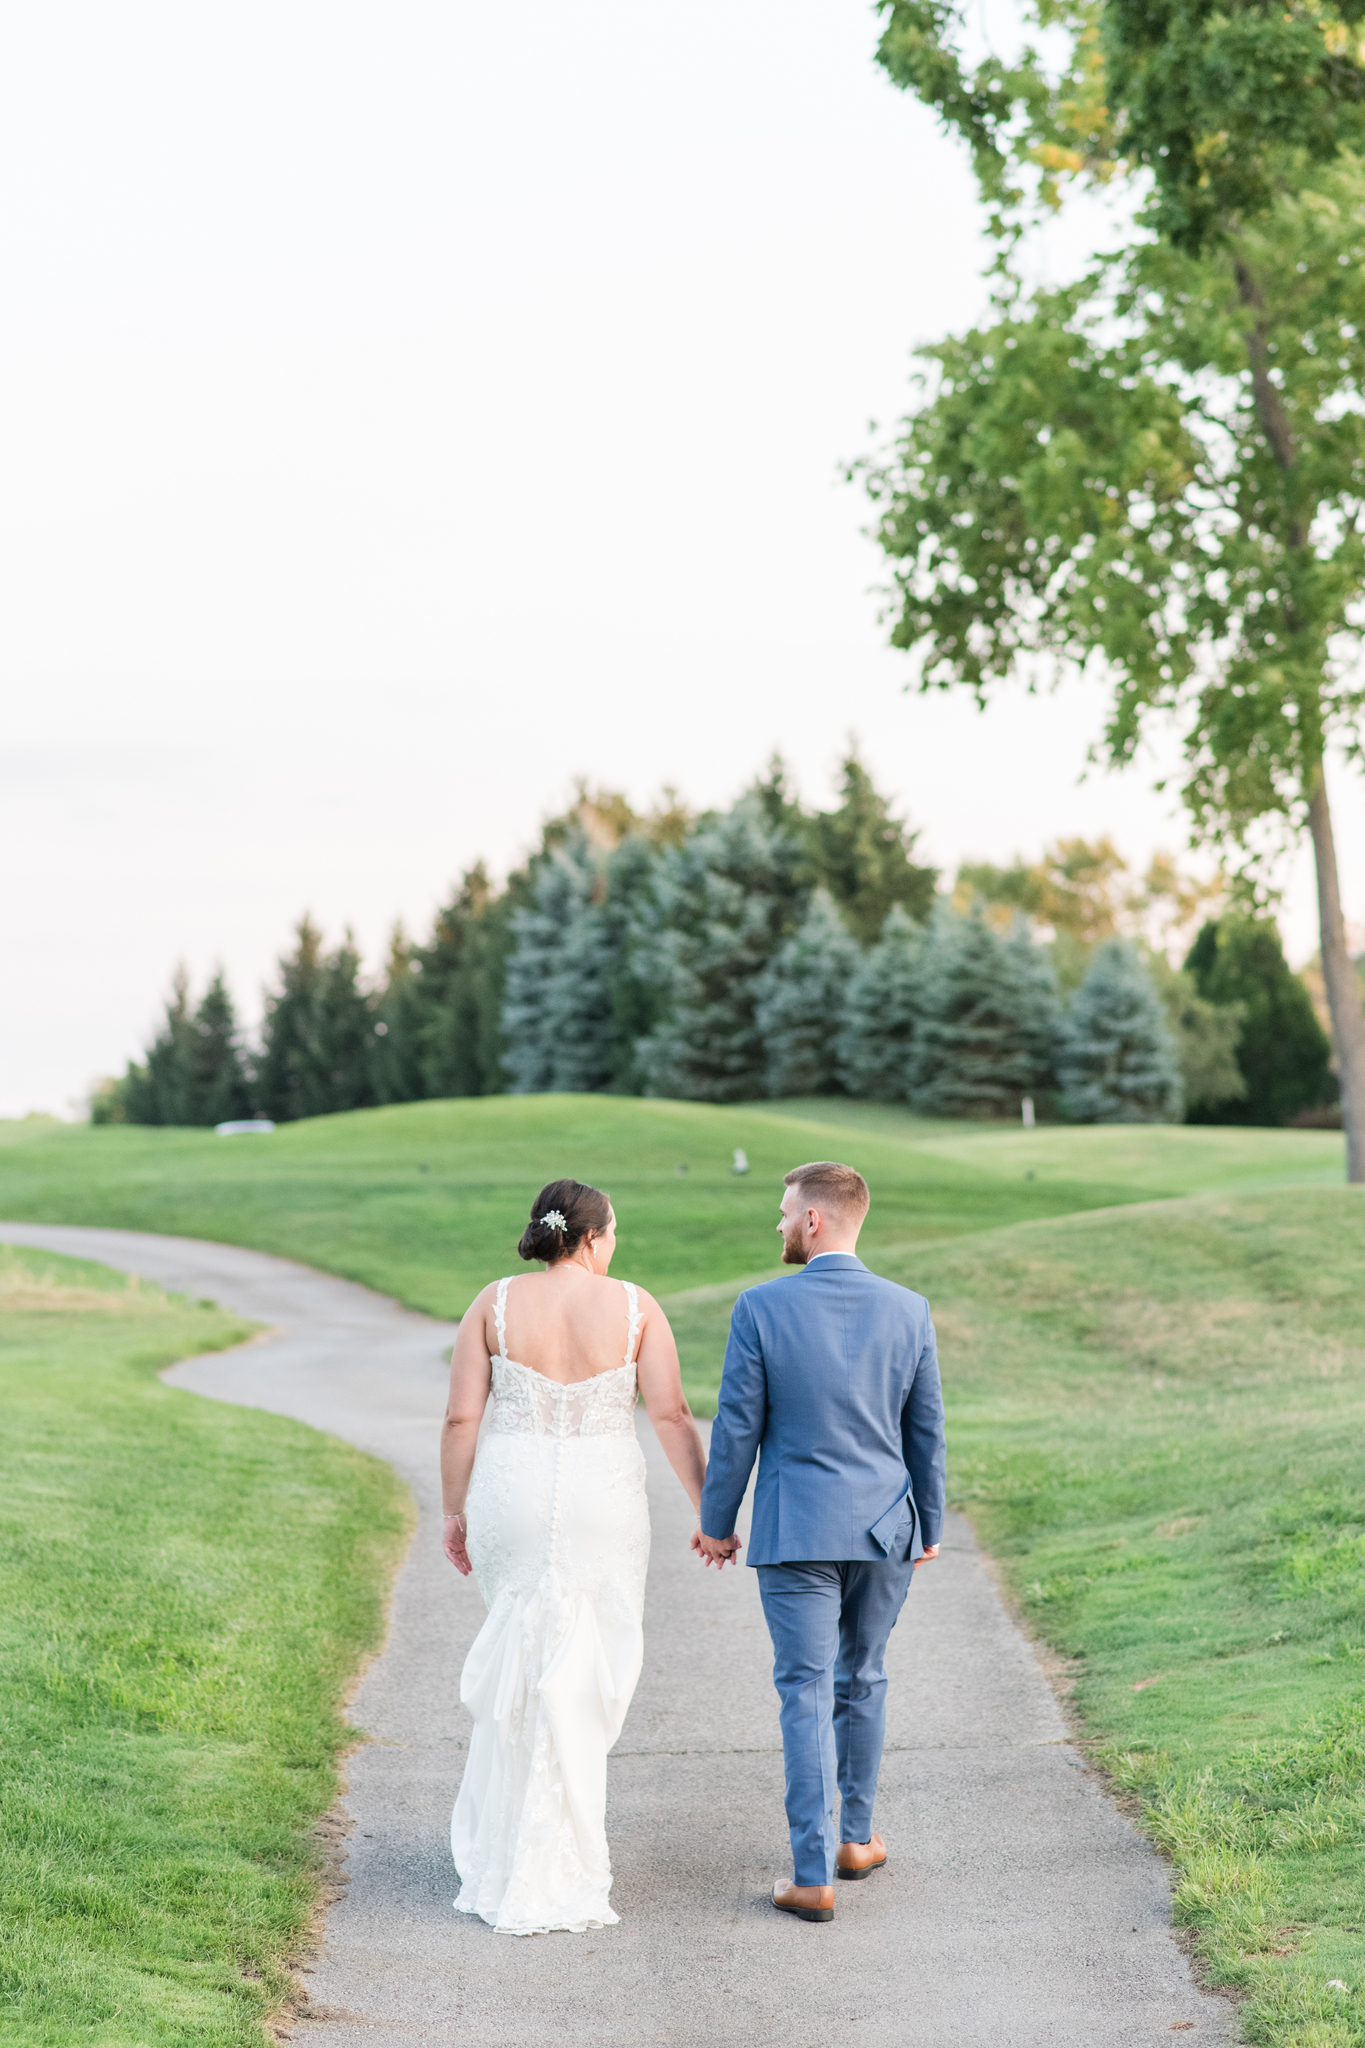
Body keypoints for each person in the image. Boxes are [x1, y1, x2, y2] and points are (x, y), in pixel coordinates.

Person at [440, 1178, 706, 1936]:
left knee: (523, 1653)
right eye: (612, 1233)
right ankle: (562, 1850)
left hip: (511, 1493)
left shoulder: (492, 1302)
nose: (614, 1245)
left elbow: (462, 1415)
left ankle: (506, 1847)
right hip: (601, 1496)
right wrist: (708, 1511)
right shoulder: (633, 1306)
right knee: (588, 1663)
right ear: (589, 1238)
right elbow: (671, 1413)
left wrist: (454, 1512)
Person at [694, 1160, 946, 1924]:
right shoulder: (909, 1310)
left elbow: (737, 1426)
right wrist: (928, 1526)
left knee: (802, 1690)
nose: (776, 1223)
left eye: (782, 1212)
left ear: (814, 1220)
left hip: (797, 1527)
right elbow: (924, 1432)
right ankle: (857, 1839)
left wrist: (715, 1521)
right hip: (884, 1528)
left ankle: (812, 1874)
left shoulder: (760, 1308)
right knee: (863, 1677)